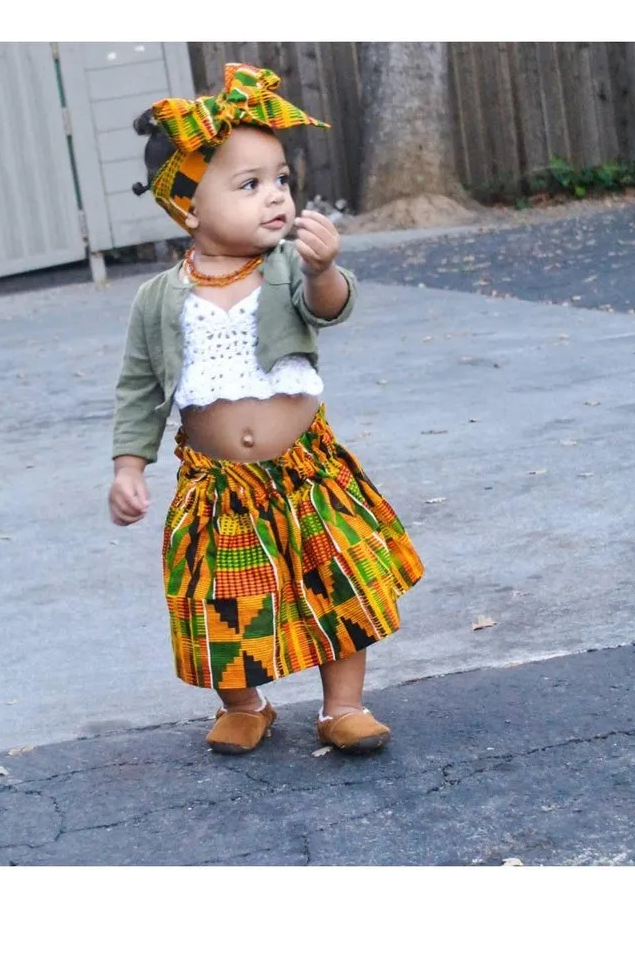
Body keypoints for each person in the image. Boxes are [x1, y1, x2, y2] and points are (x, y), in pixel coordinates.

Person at [109, 63, 423, 756]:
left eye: (282, 178)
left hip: (304, 472)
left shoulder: (284, 268)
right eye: (250, 185)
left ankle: (342, 707)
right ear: (188, 209)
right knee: (229, 600)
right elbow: (140, 389)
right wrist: (129, 466)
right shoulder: (160, 299)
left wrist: (322, 270)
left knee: (334, 585)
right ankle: (245, 703)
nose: (277, 197)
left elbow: (328, 309)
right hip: (219, 487)